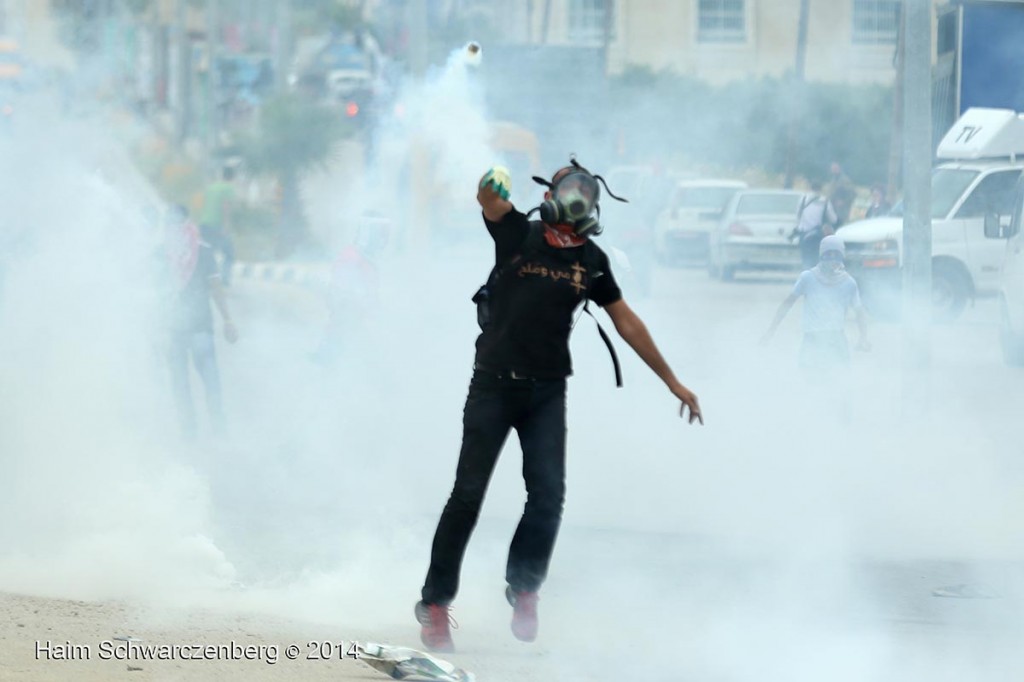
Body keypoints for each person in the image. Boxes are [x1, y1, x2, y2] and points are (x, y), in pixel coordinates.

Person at [414, 161, 703, 653]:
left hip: (547, 392)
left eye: (588, 193)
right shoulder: (517, 235)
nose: (579, 197)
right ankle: (436, 605)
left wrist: (672, 381)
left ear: (594, 208)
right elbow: (488, 201)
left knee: (548, 496)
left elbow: (626, 322)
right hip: (493, 386)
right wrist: (489, 182)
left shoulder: (591, 261)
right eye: (571, 188)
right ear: (551, 194)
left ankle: (524, 587)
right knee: (467, 495)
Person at [160, 204, 239, 439]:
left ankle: (190, 431)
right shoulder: (202, 251)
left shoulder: (160, 253)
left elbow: (150, 293)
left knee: (180, 383)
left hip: (176, 329)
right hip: (197, 328)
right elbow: (216, 288)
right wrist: (227, 320)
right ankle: (219, 428)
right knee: (210, 380)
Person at [761, 234, 869, 370]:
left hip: (836, 339)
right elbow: (788, 303)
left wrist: (863, 337)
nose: (832, 260)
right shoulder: (808, 278)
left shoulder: (849, 283)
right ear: (821, 256)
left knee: (840, 380)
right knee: (810, 381)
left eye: (836, 255)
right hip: (812, 339)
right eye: (828, 255)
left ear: (842, 257)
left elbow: (859, 311)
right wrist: (771, 330)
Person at [199, 165, 238, 286]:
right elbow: (225, 206)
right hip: (217, 225)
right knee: (229, 254)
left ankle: (204, 279)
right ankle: (224, 280)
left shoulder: (212, 187)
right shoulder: (228, 187)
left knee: (208, 252)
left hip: (204, 224)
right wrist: (226, 226)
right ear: (232, 177)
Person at [793, 181, 838, 271]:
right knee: (816, 258)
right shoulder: (824, 201)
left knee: (805, 259)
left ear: (810, 188)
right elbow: (834, 219)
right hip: (816, 235)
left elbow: (798, 215)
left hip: (803, 234)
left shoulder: (803, 199)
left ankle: (806, 275)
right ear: (820, 189)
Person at [826, 161, 857, 226]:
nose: (833, 170)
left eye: (835, 168)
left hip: (841, 213)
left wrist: (843, 202)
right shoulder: (833, 180)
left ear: (839, 168)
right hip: (832, 211)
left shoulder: (845, 180)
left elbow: (853, 194)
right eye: (832, 168)